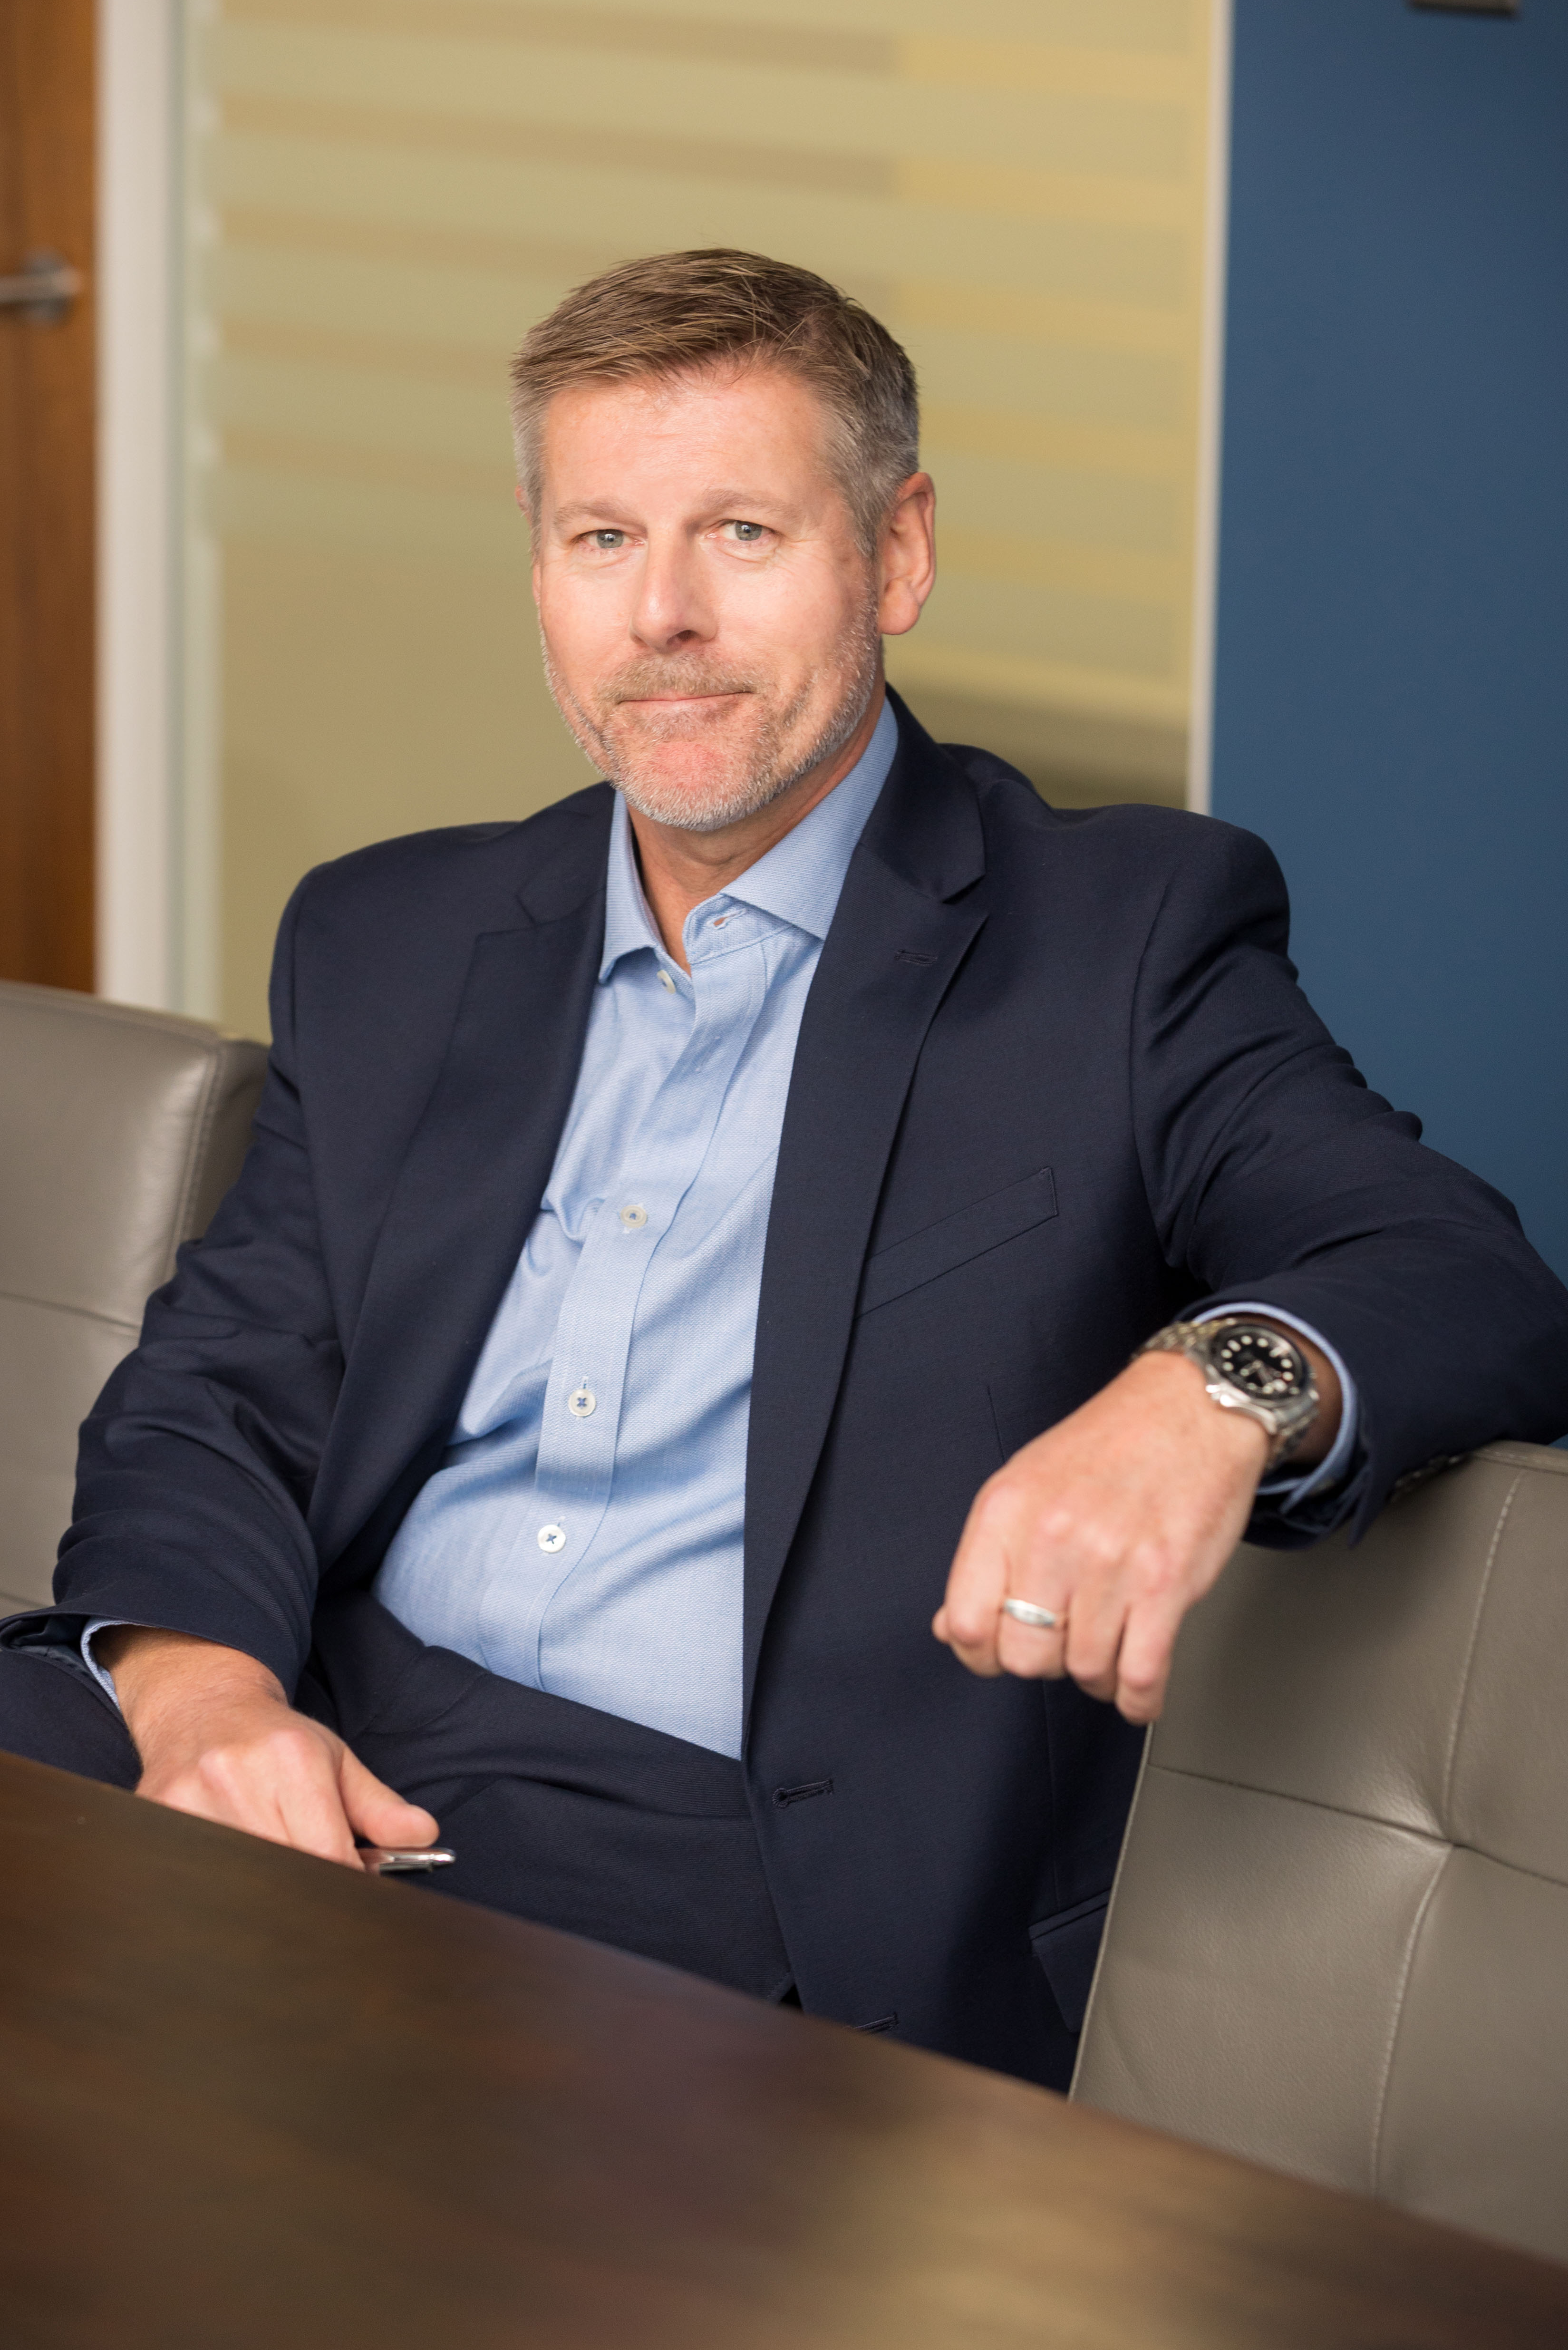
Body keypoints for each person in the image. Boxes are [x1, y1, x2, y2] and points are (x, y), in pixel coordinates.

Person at [5, 249, 1567, 2090]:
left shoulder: (1115, 941)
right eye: (600, 539)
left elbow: (1457, 1268)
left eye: (741, 531)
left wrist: (1205, 1383)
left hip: (719, 1870)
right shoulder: (394, 934)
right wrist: (201, 1699)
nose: (660, 613)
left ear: (895, 553)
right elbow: (219, 1393)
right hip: (290, 1721)